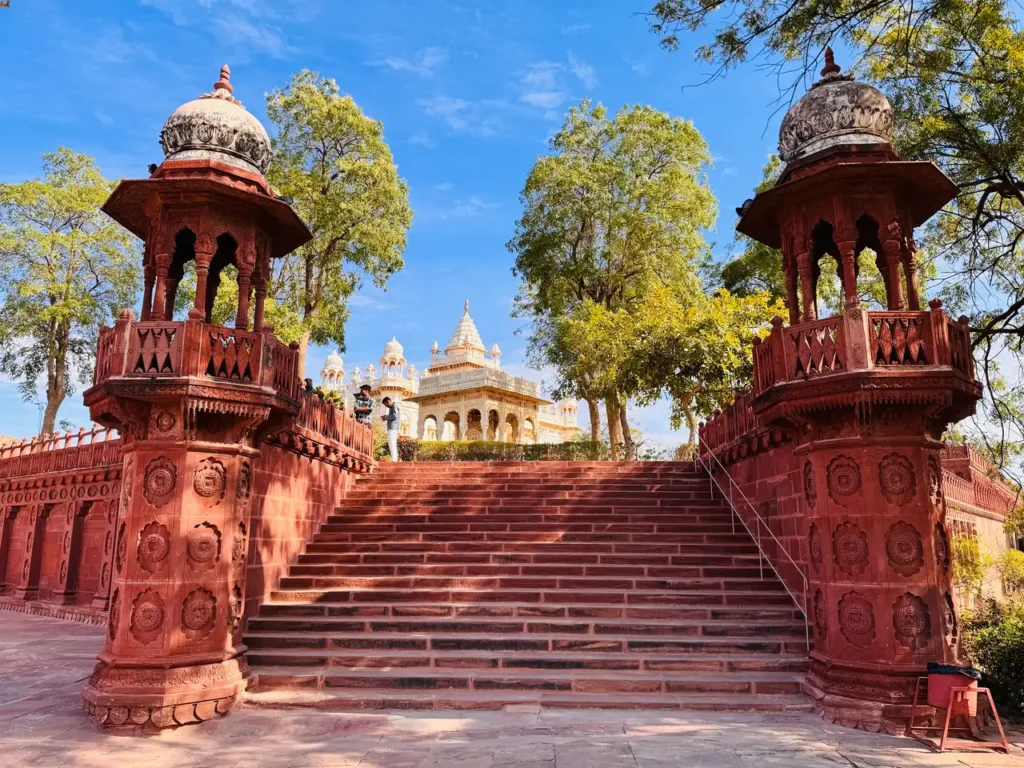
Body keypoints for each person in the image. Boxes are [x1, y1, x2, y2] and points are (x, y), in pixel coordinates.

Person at [381, 396, 400, 462]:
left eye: (385, 404)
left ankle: (394, 460)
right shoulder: (391, 407)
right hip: (392, 427)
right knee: (392, 443)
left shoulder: (394, 406)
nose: (386, 406)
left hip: (393, 427)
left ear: (388, 401)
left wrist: (385, 417)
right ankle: (394, 459)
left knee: (392, 443)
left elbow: (395, 416)